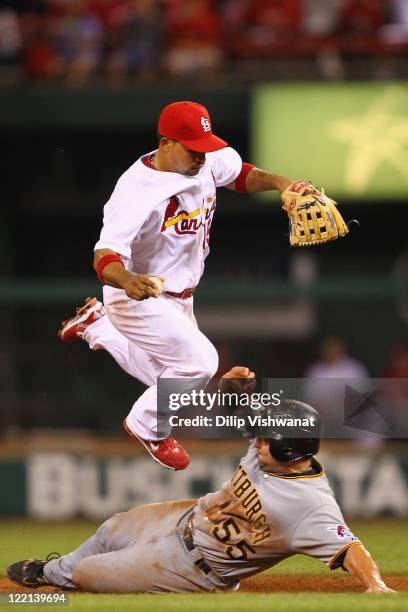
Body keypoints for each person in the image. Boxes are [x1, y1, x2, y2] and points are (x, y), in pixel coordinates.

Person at [59, 99, 321, 471]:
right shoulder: (136, 190)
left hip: (180, 297)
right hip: (138, 294)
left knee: (176, 386)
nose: (201, 157)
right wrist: (128, 280)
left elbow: (241, 175)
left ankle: (97, 326)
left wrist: (281, 184)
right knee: (200, 363)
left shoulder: (205, 157)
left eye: (204, 147)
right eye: (192, 149)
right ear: (166, 143)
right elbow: (104, 255)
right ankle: (146, 426)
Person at [7, 366, 394, 594]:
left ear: (291, 451)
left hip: (196, 568)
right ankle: (48, 572)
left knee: (88, 574)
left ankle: (55, 582)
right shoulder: (274, 443)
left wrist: (375, 583)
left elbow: (351, 548)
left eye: (266, 439)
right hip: (187, 517)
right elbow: (239, 409)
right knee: (112, 528)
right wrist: (235, 389)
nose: (257, 441)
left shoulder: (312, 506)